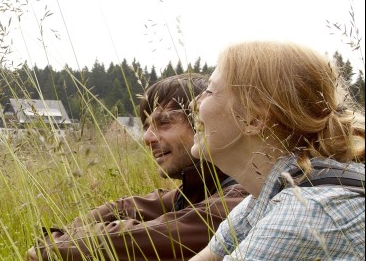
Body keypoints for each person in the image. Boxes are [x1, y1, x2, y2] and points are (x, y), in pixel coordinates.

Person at [26, 74, 249, 261]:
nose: (147, 137)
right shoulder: (198, 188)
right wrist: (64, 236)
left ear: (203, 124)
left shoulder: (240, 197)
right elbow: (125, 207)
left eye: (164, 122)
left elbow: (144, 237)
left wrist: (51, 247)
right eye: (146, 126)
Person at [189, 41, 365, 260]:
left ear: (254, 118)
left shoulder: (304, 213)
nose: (194, 104)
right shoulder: (265, 197)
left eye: (209, 91)